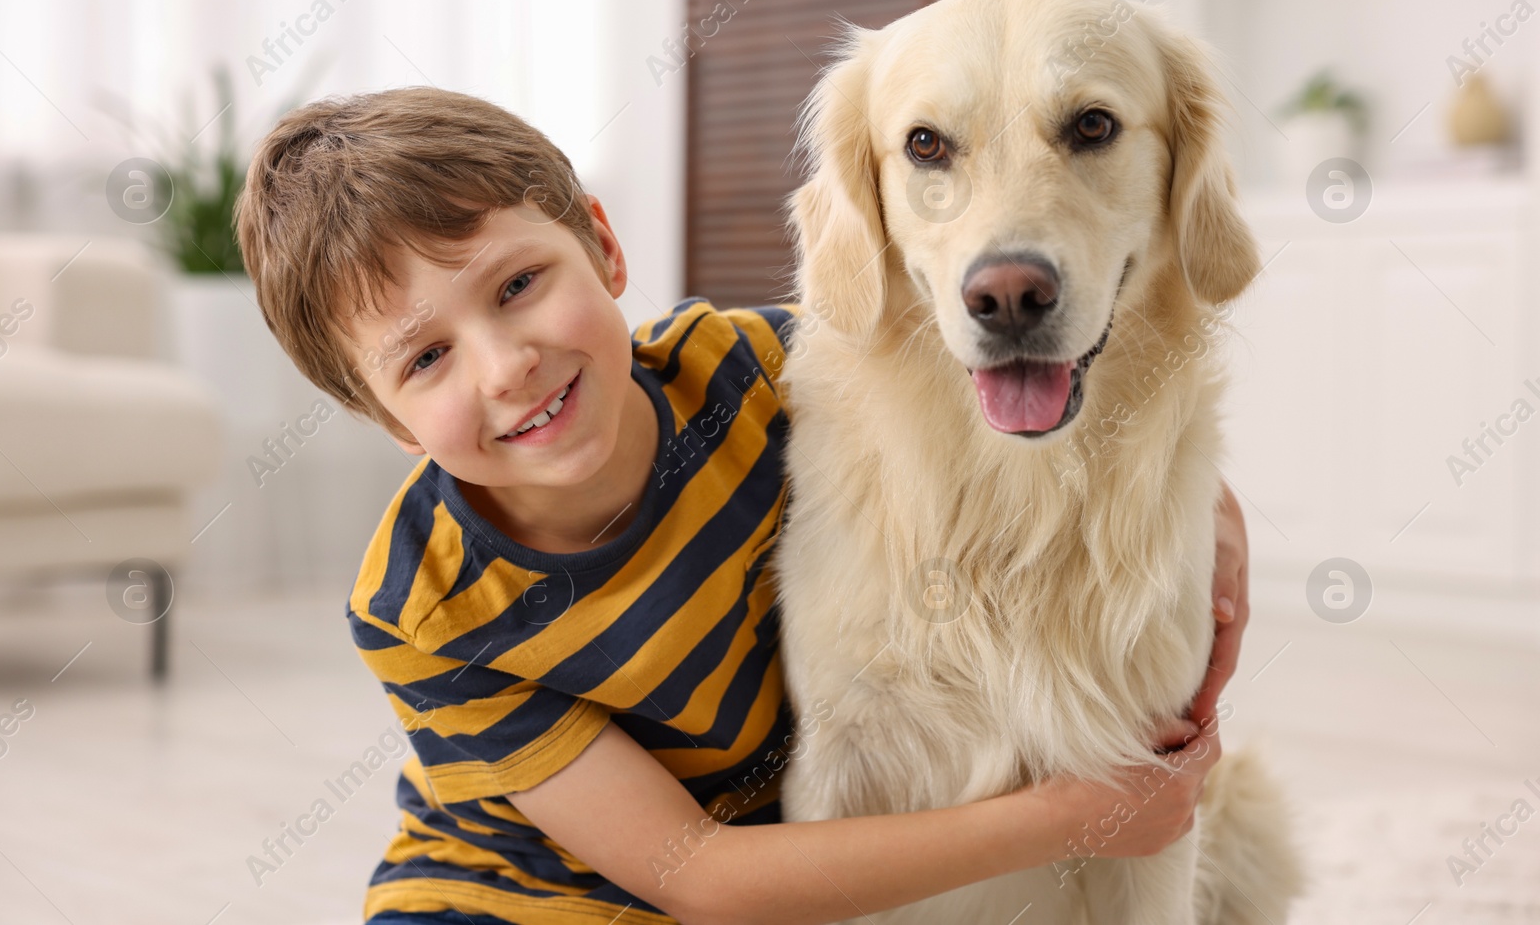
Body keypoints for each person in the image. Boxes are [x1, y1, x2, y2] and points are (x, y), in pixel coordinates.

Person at [233, 86, 1251, 925]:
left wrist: (1217, 538)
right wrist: (1071, 815)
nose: (506, 365)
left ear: (603, 245)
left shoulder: (765, 369)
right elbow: (698, 875)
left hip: (776, 862)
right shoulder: (426, 603)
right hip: (517, 897)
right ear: (392, 423)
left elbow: (1051, 431)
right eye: (426, 357)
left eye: (517, 285)